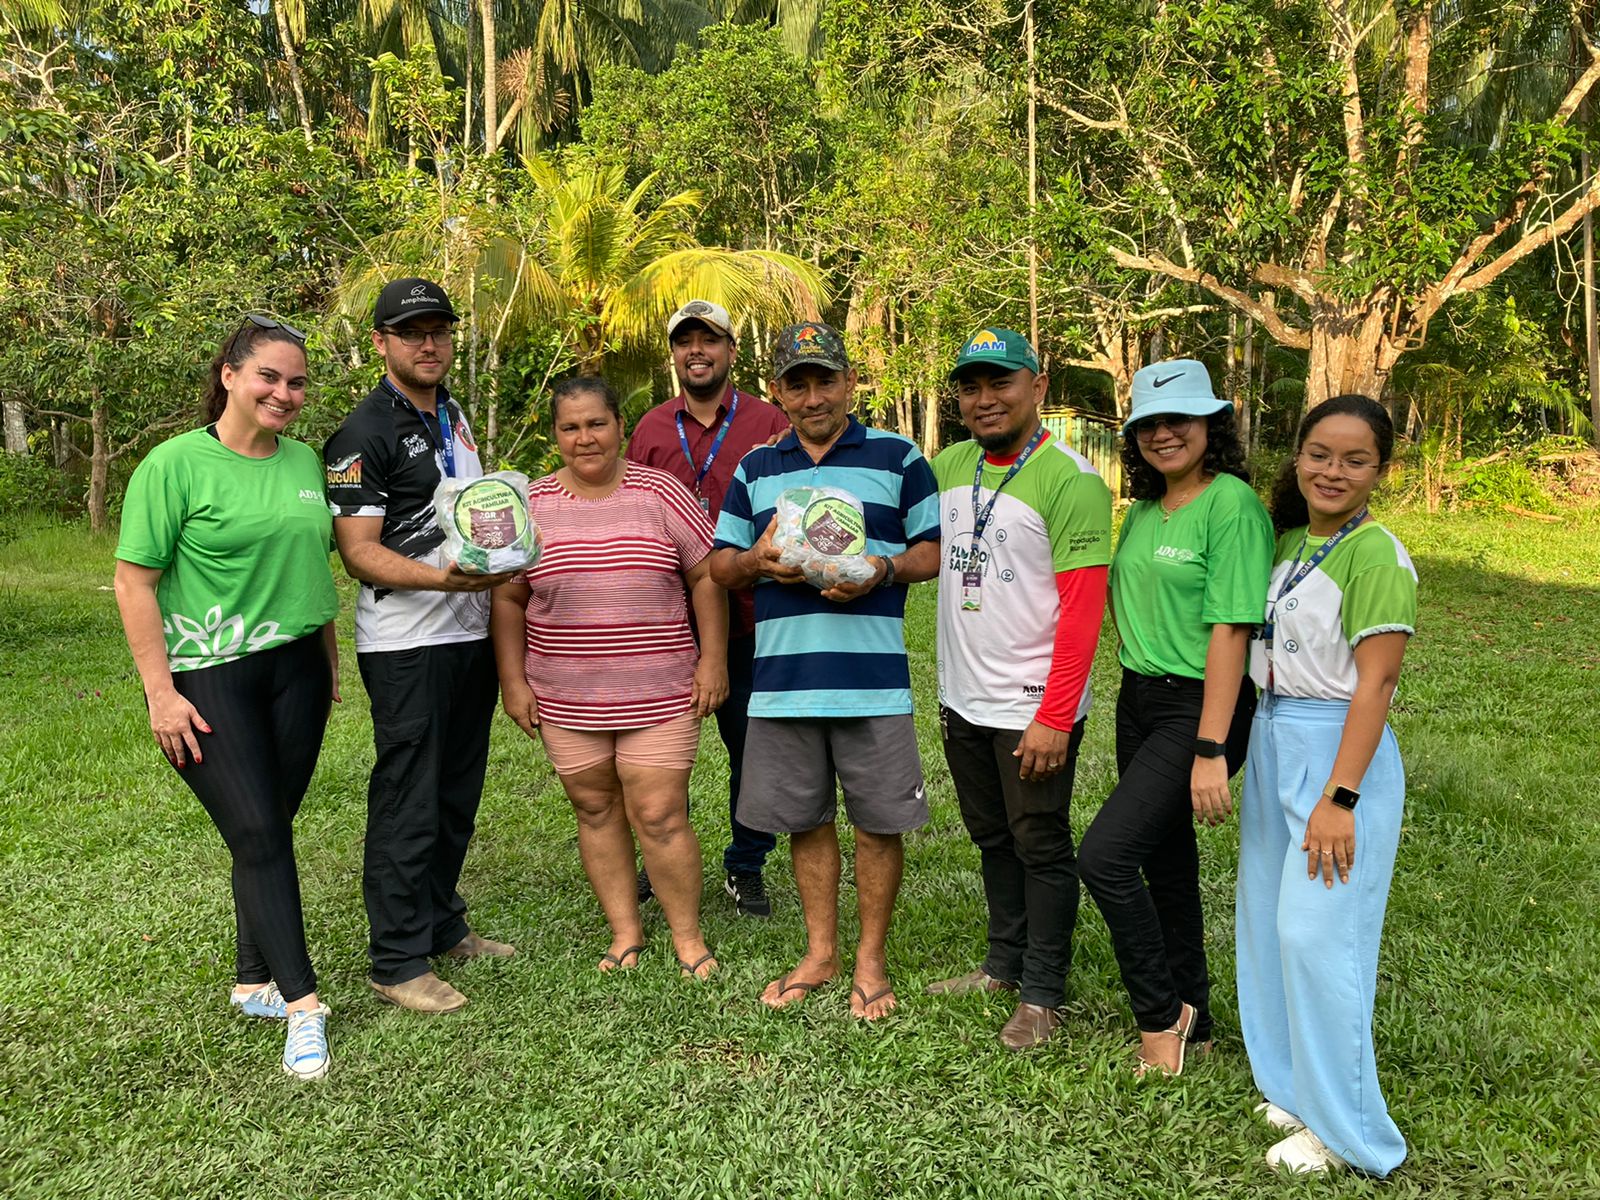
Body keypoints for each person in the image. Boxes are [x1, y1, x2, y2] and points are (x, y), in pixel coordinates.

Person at [113, 315, 338, 1080]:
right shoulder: (173, 465)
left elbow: (312, 567)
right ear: (231, 375)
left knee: (267, 828)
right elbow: (134, 580)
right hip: (210, 675)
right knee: (261, 835)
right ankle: (303, 1008)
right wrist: (159, 693)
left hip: (299, 668)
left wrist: (328, 662)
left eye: (297, 381)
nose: (284, 392)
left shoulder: (306, 460)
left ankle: (253, 983)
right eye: (269, 376)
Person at [709, 321, 941, 1020]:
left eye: (826, 379)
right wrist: (757, 562)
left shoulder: (900, 458)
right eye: (797, 383)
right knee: (804, 821)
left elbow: (931, 551)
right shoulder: (756, 468)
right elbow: (720, 564)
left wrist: (883, 568)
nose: (813, 396)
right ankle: (821, 952)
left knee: (877, 824)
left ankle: (869, 959)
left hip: (871, 678)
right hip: (783, 681)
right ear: (777, 391)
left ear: (850, 382)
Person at [324, 278, 516, 1015]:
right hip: (408, 644)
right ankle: (398, 960)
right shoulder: (360, 434)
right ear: (382, 343)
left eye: (439, 330)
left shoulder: (456, 415)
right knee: (409, 798)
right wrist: (449, 581)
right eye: (411, 332)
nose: (428, 343)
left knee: (455, 791)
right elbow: (360, 554)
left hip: (466, 634)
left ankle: (442, 924)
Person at [491, 376, 726, 979]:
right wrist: (513, 683)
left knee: (661, 812)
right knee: (594, 808)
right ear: (555, 436)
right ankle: (625, 933)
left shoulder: (662, 491)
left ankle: (688, 938)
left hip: (662, 687)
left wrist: (713, 658)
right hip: (565, 692)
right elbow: (510, 600)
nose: (584, 438)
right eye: (570, 427)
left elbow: (705, 576)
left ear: (620, 426)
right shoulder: (531, 505)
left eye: (596, 423)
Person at [1077, 359, 1272, 1076]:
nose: (1164, 434)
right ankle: (1202, 1017)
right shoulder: (1149, 509)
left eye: (1180, 420)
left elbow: (1231, 631)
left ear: (1210, 426)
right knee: (1166, 861)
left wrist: (1212, 747)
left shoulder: (1232, 505)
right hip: (1139, 698)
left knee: (1104, 857)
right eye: (1150, 423)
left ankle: (1161, 1017)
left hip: (1200, 704)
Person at [1236, 395, 1415, 1176]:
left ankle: (1351, 1135)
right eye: (1319, 454)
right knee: (1270, 930)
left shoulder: (1377, 554)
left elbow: (1375, 687)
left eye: (1354, 459)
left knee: (1320, 937)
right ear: (1297, 455)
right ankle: (1294, 1086)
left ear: (1381, 471)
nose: (1332, 471)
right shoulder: (1286, 542)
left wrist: (1340, 798)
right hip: (1274, 736)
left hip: (1336, 750)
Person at [924, 328, 1113, 1050]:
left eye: (1000, 382)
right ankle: (1002, 966)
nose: (984, 398)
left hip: (1034, 707)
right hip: (964, 697)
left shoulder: (1071, 481)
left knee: (1040, 842)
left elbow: (1084, 612)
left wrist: (1056, 716)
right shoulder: (950, 465)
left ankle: (1043, 994)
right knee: (991, 837)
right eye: (971, 386)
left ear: (1037, 386)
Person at [624, 300, 791, 918]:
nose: (697, 351)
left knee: (754, 749)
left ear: (730, 351)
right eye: (685, 342)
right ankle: (659, 856)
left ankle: (745, 865)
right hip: (665, 622)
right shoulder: (649, 428)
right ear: (673, 354)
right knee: (657, 753)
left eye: (710, 340)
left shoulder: (771, 421)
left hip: (753, 617)